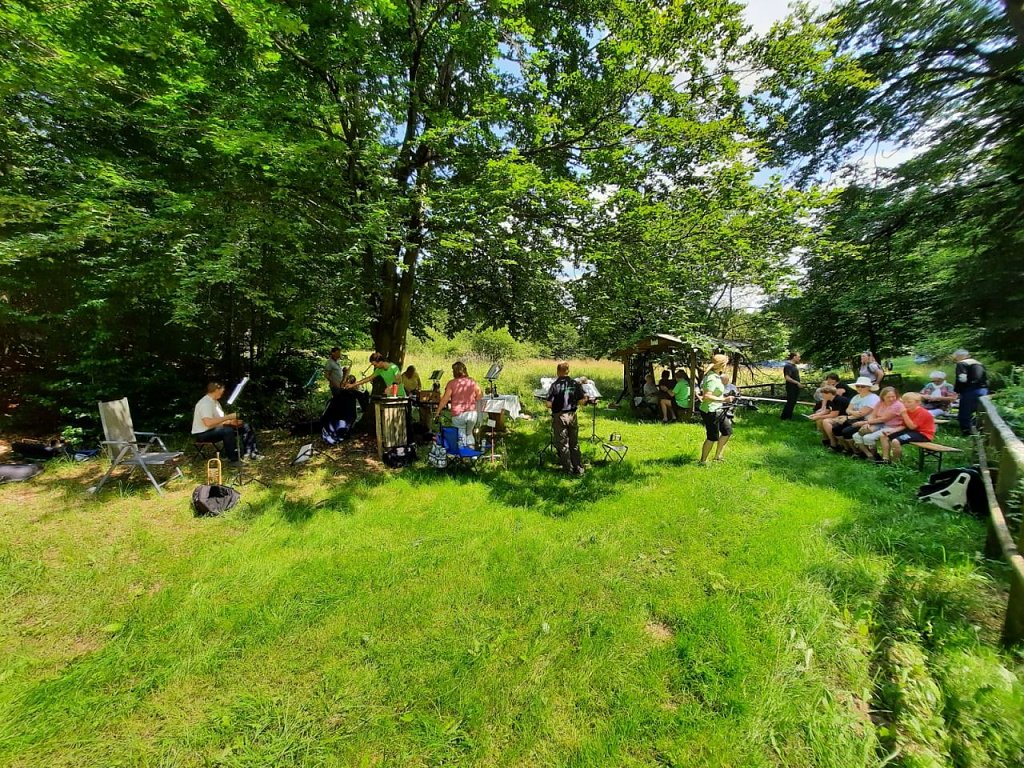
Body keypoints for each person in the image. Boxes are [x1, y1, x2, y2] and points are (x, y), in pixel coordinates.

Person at [191, 382, 249, 467]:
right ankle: (233, 460)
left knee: (245, 426)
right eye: (222, 390)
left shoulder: (216, 403)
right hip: (203, 434)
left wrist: (230, 422)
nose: (223, 392)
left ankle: (250, 452)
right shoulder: (205, 403)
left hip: (215, 429)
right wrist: (228, 417)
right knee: (227, 431)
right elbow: (208, 423)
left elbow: (219, 420)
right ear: (216, 390)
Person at [546, 361, 588, 476]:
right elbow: (582, 401)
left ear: (558, 371)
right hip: (572, 415)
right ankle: (578, 468)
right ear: (568, 371)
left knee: (563, 444)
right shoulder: (575, 383)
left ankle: (568, 470)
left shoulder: (555, 385)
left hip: (559, 416)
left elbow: (548, 404)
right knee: (574, 443)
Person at [825, 376, 880, 452]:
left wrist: (848, 416)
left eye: (862, 386)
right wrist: (852, 413)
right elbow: (847, 410)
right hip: (854, 418)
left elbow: (861, 414)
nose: (859, 388)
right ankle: (847, 448)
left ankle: (857, 452)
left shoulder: (873, 398)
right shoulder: (856, 397)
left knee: (846, 431)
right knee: (836, 429)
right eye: (858, 386)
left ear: (869, 387)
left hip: (867, 421)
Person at [434, 361, 483, 447]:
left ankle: (463, 452)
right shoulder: (472, 381)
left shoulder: (451, 383)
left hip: (458, 414)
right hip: (472, 413)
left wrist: (437, 412)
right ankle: (471, 451)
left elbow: (445, 399)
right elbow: (479, 395)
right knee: (469, 433)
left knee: (461, 435)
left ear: (455, 372)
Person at [879, 392, 936, 464]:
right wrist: (892, 431)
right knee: (883, 436)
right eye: (904, 402)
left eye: (909, 402)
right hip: (911, 431)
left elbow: (912, 427)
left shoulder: (922, 413)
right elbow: (904, 426)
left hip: (923, 434)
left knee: (895, 441)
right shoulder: (908, 411)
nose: (906, 404)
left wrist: (904, 414)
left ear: (918, 403)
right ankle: (885, 459)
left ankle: (896, 463)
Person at [852, 386, 905, 459]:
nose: (891, 399)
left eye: (893, 396)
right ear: (883, 397)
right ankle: (868, 455)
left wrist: (864, 422)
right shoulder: (880, 402)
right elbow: (873, 414)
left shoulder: (897, 405)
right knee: (856, 436)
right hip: (879, 424)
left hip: (892, 426)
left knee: (868, 438)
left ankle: (875, 456)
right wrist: (868, 423)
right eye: (888, 397)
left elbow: (884, 419)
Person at [698, 354, 733, 465]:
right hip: (710, 411)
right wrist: (724, 399)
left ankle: (718, 456)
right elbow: (706, 396)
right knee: (712, 437)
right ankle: (703, 461)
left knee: (727, 431)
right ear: (722, 365)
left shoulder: (717, 376)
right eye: (726, 364)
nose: (727, 366)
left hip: (718, 409)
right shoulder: (712, 378)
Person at [953, 349, 988, 435]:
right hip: (983, 389)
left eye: (956, 357)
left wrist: (957, 390)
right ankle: (980, 430)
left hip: (970, 390)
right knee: (980, 410)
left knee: (965, 411)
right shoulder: (979, 363)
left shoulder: (962, 363)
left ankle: (967, 431)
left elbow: (962, 378)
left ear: (959, 356)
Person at [780, 351, 801, 420]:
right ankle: (784, 417)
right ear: (794, 357)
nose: (799, 358)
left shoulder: (794, 365)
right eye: (798, 357)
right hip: (791, 387)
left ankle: (788, 417)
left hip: (795, 387)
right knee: (790, 402)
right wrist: (797, 383)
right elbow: (787, 377)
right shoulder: (788, 366)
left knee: (793, 402)